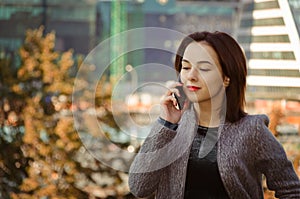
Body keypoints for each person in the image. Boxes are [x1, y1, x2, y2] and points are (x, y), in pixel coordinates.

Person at [128, 31, 300, 199]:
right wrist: (166, 123)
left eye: (203, 68)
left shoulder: (252, 130)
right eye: (186, 67)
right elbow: (139, 187)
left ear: (227, 78)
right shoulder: (172, 127)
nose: (191, 76)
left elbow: (292, 191)